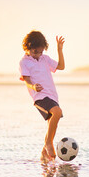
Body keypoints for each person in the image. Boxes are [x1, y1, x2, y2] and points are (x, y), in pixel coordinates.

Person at [19, 30, 65, 162]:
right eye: (35, 52)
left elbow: (61, 66)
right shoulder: (24, 62)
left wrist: (59, 49)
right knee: (57, 112)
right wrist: (34, 87)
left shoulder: (45, 59)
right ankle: (49, 144)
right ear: (27, 47)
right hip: (39, 97)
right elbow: (27, 80)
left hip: (52, 96)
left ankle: (44, 152)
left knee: (53, 121)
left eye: (41, 51)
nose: (38, 55)